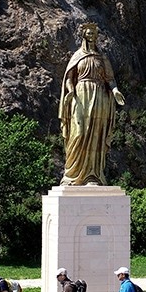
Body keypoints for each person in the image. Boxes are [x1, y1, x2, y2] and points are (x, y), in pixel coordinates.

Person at [59, 22, 126, 186]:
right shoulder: (77, 56)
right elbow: (69, 78)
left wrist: (115, 91)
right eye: (88, 33)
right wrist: (70, 91)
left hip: (100, 96)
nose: (91, 36)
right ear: (84, 35)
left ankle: (92, 176)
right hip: (80, 95)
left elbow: (110, 79)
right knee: (79, 133)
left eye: (93, 33)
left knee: (96, 136)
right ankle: (71, 175)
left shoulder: (102, 58)